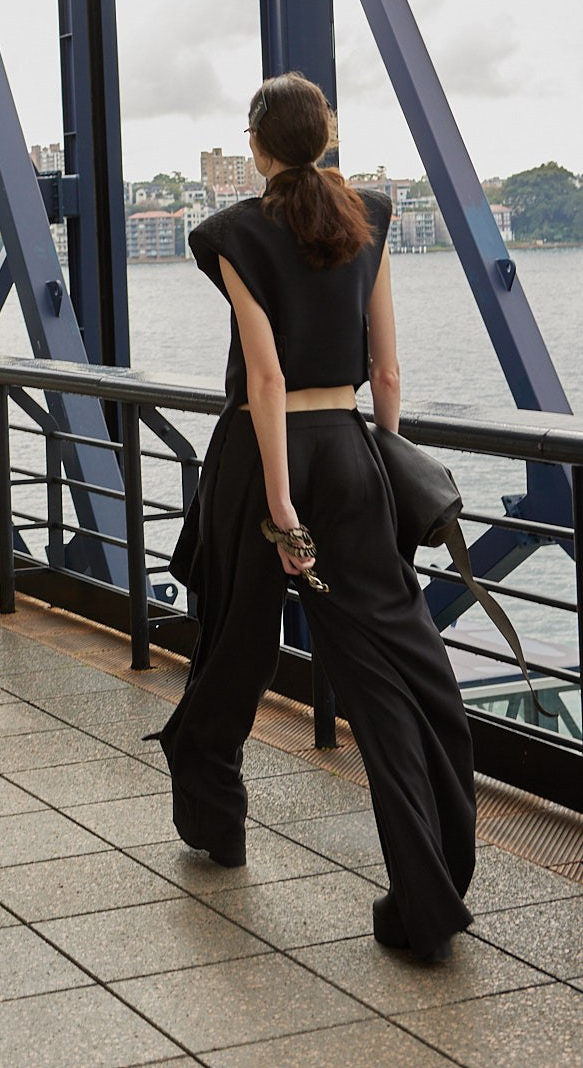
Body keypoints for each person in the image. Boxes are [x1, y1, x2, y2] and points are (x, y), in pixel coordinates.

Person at [160, 72, 475, 962]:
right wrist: (378, 459)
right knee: (392, 673)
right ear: (325, 137)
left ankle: (216, 818)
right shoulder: (367, 214)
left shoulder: (231, 233)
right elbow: (390, 371)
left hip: (260, 464)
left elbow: (263, 378)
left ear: (255, 147)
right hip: (349, 451)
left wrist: (282, 505)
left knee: (234, 645)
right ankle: (430, 894)